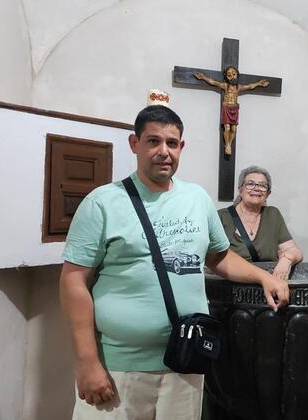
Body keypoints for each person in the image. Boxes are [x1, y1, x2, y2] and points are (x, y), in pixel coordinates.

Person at [59, 98, 289, 420]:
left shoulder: (196, 198)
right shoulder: (103, 203)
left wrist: (264, 277)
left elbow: (219, 257)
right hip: (120, 368)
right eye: (153, 141)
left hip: (185, 362)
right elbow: (73, 280)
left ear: (181, 146)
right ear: (134, 144)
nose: (163, 151)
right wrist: (86, 362)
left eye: (171, 143)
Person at [218, 165, 303, 280]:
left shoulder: (273, 215)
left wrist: (286, 260)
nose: (256, 188)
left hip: (265, 286)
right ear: (240, 189)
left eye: (263, 186)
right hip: (231, 285)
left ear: (267, 194)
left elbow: (294, 251)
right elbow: (212, 258)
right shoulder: (222, 217)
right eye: (250, 184)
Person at [194, 67, 269, 155]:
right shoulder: (226, 86)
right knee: (227, 127)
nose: (232, 77)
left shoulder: (238, 87)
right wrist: (204, 77)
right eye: (229, 75)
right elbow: (214, 82)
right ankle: (228, 145)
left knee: (234, 129)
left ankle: (229, 143)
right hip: (226, 107)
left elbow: (250, 86)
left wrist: (259, 83)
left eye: (234, 74)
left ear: (237, 75)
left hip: (235, 108)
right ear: (226, 77)